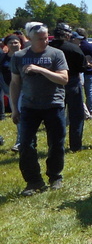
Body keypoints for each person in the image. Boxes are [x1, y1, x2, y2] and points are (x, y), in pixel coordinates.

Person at [9, 23, 69, 195]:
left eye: (46, 38)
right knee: (26, 145)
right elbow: (15, 84)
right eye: (40, 39)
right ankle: (34, 181)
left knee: (56, 143)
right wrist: (14, 109)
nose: (45, 42)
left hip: (54, 105)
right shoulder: (19, 56)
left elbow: (63, 79)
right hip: (29, 106)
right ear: (30, 39)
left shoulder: (56, 54)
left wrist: (40, 69)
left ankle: (55, 176)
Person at [50, 24, 86, 152]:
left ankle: (54, 144)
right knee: (76, 115)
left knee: (54, 115)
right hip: (72, 82)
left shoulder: (47, 48)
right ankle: (75, 145)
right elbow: (83, 67)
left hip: (51, 83)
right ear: (66, 34)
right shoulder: (73, 48)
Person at [73, 28, 92, 118]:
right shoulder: (90, 46)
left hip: (79, 72)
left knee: (80, 93)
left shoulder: (76, 46)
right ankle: (90, 111)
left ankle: (82, 111)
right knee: (90, 93)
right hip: (89, 71)